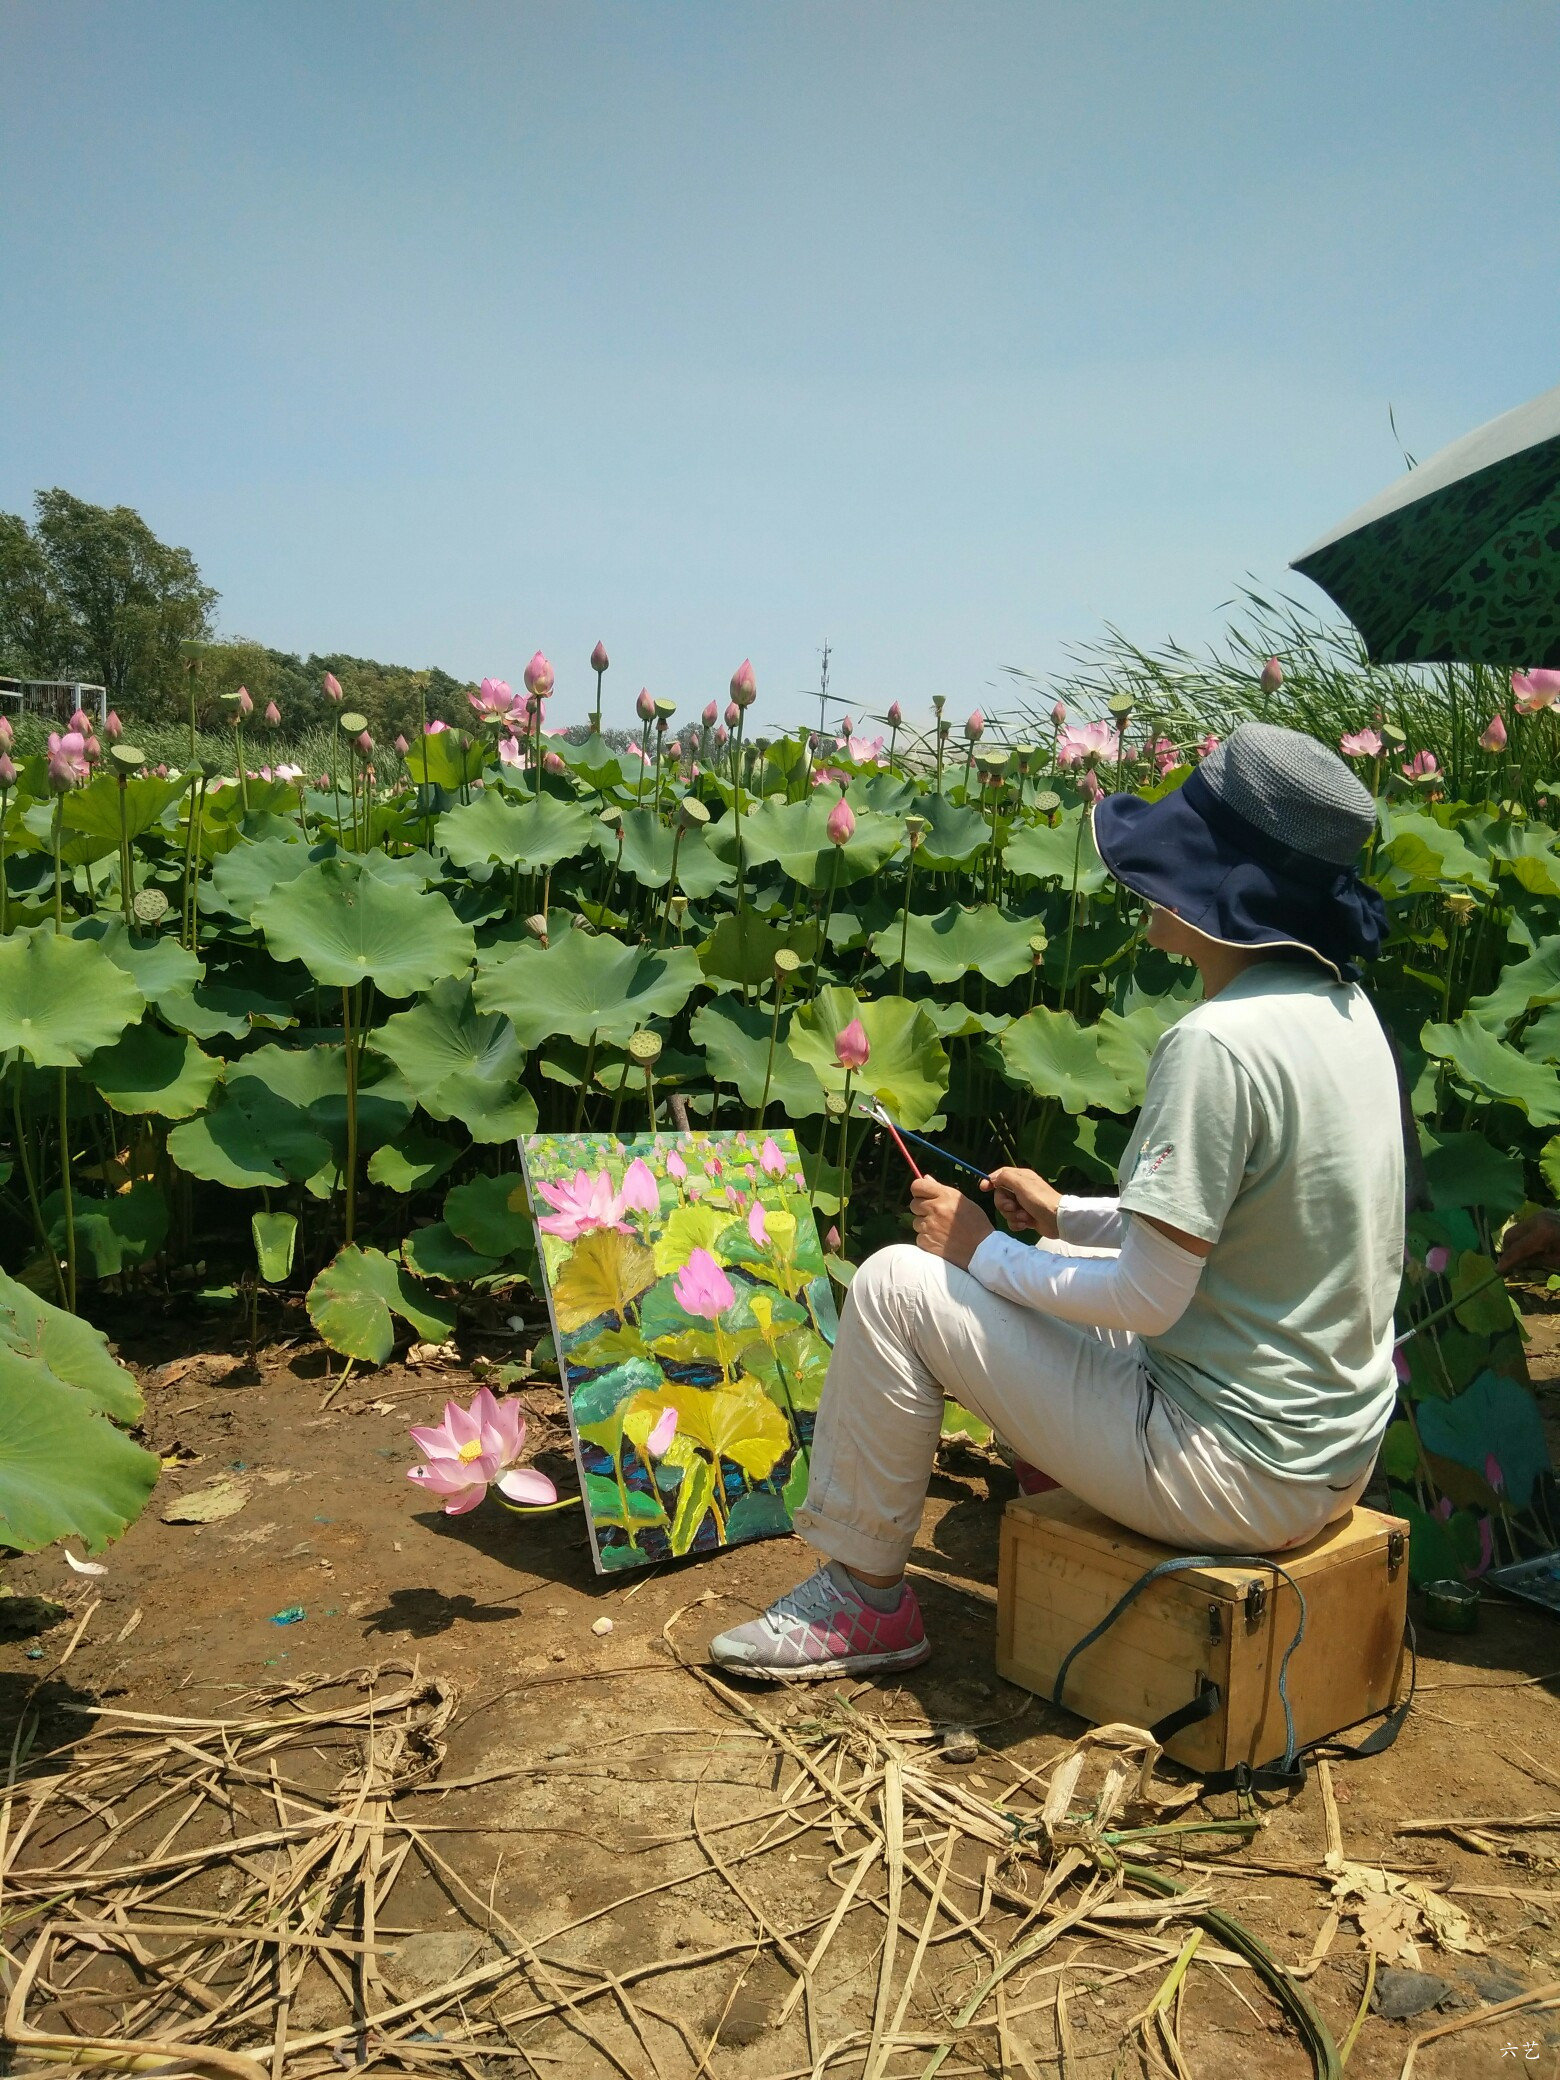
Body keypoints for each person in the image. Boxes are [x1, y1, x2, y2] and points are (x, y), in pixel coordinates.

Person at [711, 721, 1406, 1681]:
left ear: (1219, 883)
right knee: (1057, 1270)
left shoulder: (1217, 1043)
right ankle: (1043, 1460)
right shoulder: (1346, 1012)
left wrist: (976, 1251)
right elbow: (1238, 1234)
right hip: (1329, 1455)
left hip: (1227, 1476)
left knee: (893, 1285)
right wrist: (1068, 1213)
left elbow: (1150, 1300)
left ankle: (864, 1601)